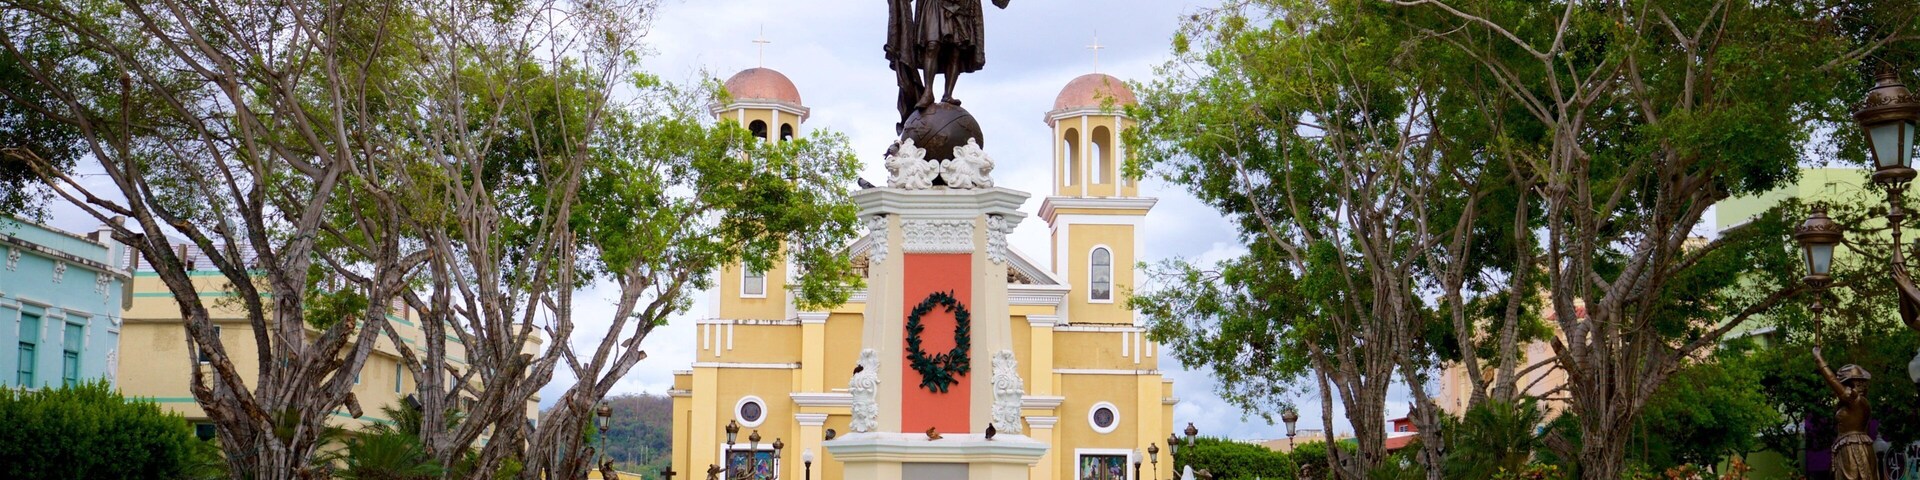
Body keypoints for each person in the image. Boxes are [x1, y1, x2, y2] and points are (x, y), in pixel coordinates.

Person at [1814, 347, 1880, 480]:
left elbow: (1832, 380)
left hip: (1854, 449)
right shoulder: (1856, 403)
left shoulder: (1856, 400)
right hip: (1851, 447)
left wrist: (1819, 359)